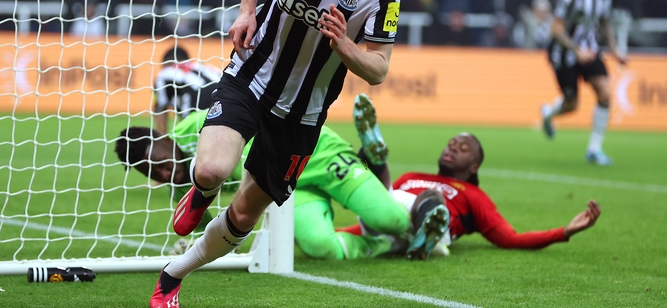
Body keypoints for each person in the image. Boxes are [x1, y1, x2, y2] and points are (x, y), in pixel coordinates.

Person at [148, 0, 402, 307]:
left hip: (302, 115)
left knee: (245, 213)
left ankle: (173, 275)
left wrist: (344, 45)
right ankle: (202, 193)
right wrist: (247, 10)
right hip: (250, 78)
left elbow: (378, 69)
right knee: (211, 169)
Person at [115, 94, 449, 263]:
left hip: (318, 153)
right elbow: (211, 229)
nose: (162, 173)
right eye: (151, 173)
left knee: (387, 216)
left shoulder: (202, 127)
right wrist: (193, 244)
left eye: (158, 162)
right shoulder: (184, 191)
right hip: (287, 186)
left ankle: (424, 213)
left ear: (162, 139)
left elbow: (253, 154)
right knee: (320, 247)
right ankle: (395, 243)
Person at [340, 132, 602, 251]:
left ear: (474, 166)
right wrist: (337, 232)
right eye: (451, 144)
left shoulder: (472, 195)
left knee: (428, 200)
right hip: (390, 224)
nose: (452, 148)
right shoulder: (411, 177)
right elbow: (387, 201)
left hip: (435, 225)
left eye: (462, 148)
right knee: (383, 196)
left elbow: (509, 238)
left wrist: (564, 232)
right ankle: (370, 157)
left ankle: (429, 230)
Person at [539, 0, 627, 166]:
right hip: (564, 54)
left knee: (605, 93)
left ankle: (594, 150)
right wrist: (576, 49)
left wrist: (615, 50)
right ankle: (549, 114)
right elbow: (556, 29)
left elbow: (605, 24)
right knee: (572, 105)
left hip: (590, 51)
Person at [152, 46, 222, 133]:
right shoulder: (206, 66)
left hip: (198, 107)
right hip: (225, 99)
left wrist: (161, 137)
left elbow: (160, 110)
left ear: (166, 63)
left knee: (185, 141)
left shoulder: (164, 74)